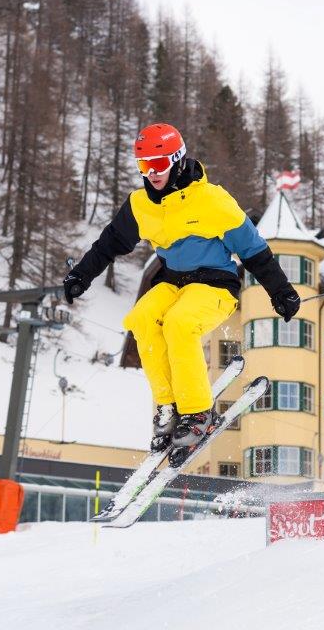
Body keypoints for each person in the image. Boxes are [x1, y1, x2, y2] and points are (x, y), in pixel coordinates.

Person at [64, 123, 300, 452]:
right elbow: (110, 243)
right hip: (173, 281)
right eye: (144, 166)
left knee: (179, 324)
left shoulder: (212, 200)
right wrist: (81, 276)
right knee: (141, 319)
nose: (151, 174)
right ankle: (168, 406)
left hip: (215, 283)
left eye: (158, 165)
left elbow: (253, 250)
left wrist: (281, 291)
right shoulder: (141, 204)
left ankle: (197, 412)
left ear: (176, 160)